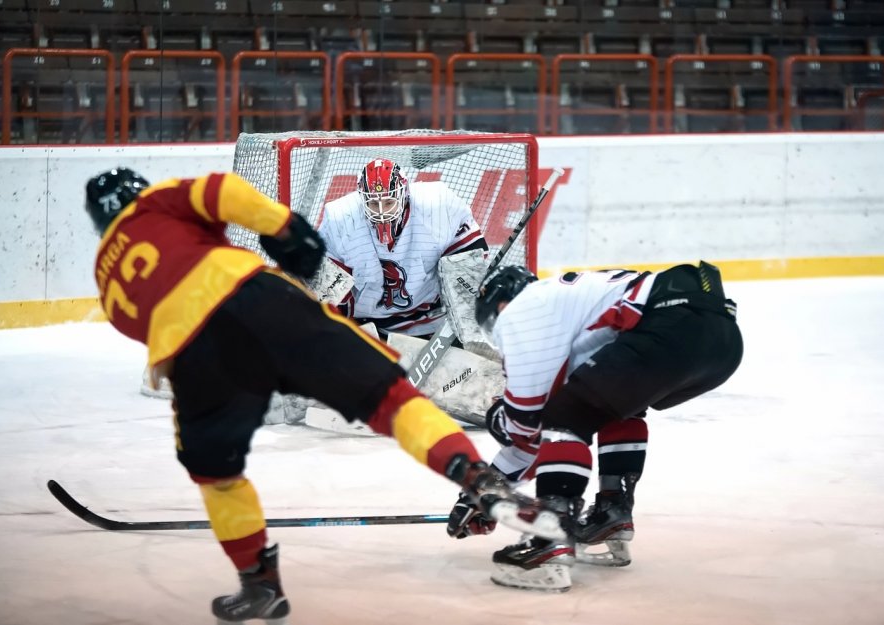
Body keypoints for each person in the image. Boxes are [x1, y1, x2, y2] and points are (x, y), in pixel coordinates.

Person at [84, 168, 561, 622]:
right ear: (136, 193)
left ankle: (259, 584)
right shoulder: (154, 203)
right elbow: (223, 191)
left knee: (217, 477)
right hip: (255, 300)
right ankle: (477, 477)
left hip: (194, 360)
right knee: (392, 399)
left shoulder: (105, 280)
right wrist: (284, 229)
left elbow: (151, 327)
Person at [447, 263, 743, 592]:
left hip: (673, 323)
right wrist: (481, 491)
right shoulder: (569, 311)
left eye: (493, 321)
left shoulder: (524, 307)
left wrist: (497, 418)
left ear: (502, 304)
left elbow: (526, 421)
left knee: (564, 417)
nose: (499, 332)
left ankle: (551, 538)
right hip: (722, 340)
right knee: (611, 408)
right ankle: (612, 512)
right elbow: (535, 441)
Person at [317, 158, 488, 340]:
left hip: (430, 320)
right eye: (373, 204)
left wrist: (467, 317)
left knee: (464, 266)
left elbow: (469, 257)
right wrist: (336, 334)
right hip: (367, 326)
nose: (381, 213)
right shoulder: (340, 220)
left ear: (404, 195)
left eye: (389, 203)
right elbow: (327, 291)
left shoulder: (437, 206)